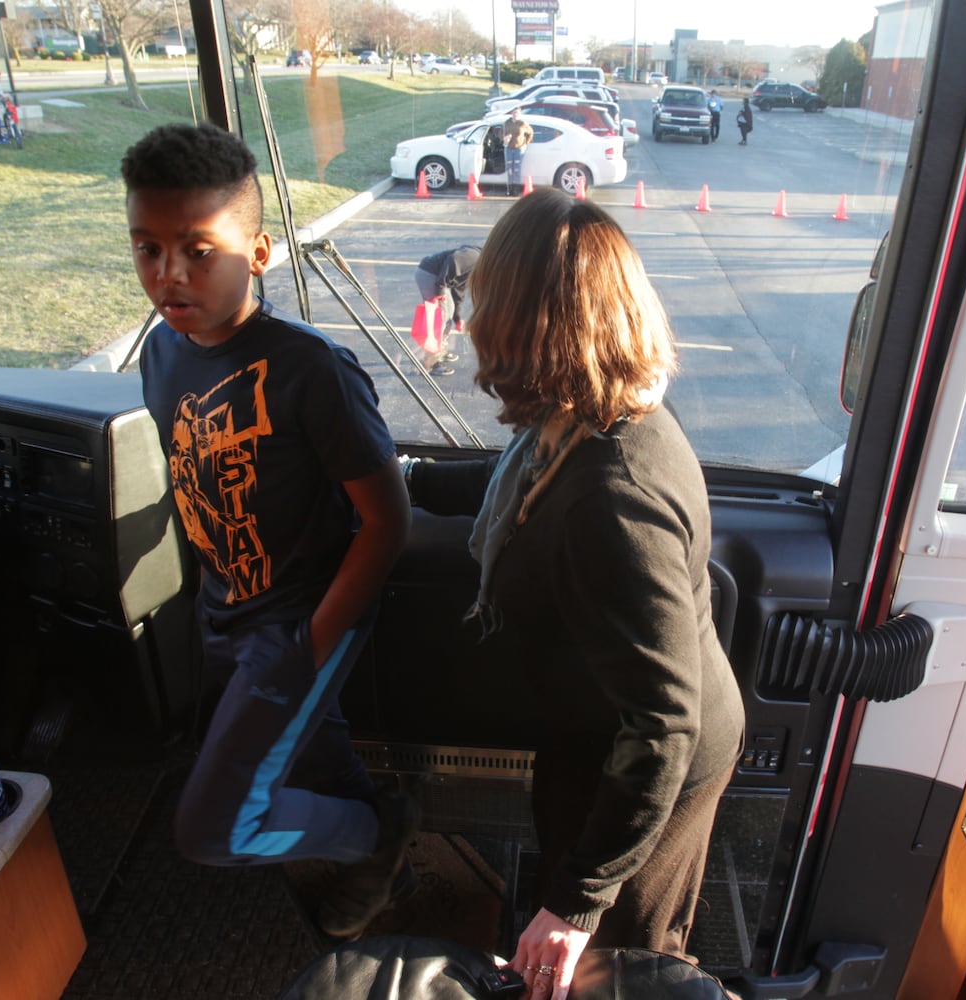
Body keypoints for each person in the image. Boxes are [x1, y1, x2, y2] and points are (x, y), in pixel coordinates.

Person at [404, 190, 744, 1000]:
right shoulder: (584, 419)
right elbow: (517, 480)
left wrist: (576, 903)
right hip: (593, 734)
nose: (470, 317)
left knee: (616, 970)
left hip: (647, 762)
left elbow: (663, 724)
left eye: (484, 304)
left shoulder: (612, 500)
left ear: (526, 330)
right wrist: (409, 479)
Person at [121, 122, 418, 942]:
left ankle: (378, 836)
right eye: (147, 248)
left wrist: (312, 644)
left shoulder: (311, 370)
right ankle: (379, 853)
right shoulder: (162, 353)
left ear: (258, 253)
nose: (169, 275)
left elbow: (384, 521)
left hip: (296, 623)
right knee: (309, 753)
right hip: (225, 606)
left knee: (215, 829)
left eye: (197, 250)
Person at [414, 244, 481, 376]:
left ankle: (440, 351)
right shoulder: (475, 257)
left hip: (438, 278)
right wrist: (440, 290)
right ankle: (431, 363)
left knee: (449, 313)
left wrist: (457, 316)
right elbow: (454, 259)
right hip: (430, 274)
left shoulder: (478, 264)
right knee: (440, 319)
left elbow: (458, 290)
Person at [503, 107, 533, 196]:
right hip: (508, 148)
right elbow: (501, 133)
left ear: (519, 114)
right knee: (509, 169)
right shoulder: (506, 123)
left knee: (516, 169)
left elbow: (530, 133)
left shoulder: (523, 124)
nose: (515, 114)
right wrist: (504, 138)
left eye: (517, 113)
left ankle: (516, 190)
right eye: (514, 112)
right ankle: (510, 190)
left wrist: (526, 143)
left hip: (519, 149)